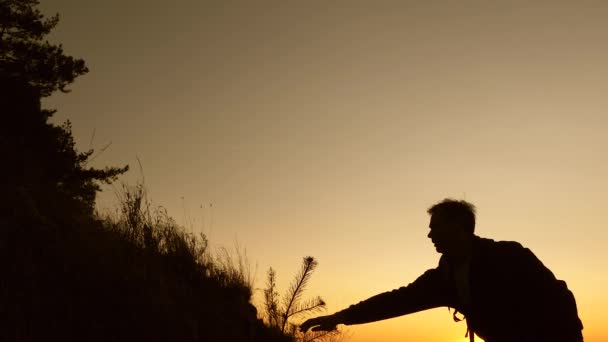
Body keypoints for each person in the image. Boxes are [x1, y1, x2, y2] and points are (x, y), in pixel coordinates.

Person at [300, 199, 584, 342]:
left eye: (435, 227)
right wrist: (341, 316)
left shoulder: (509, 255)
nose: (429, 235)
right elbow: (397, 301)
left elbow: (559, 295)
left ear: (460, 227)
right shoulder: (443, 279)